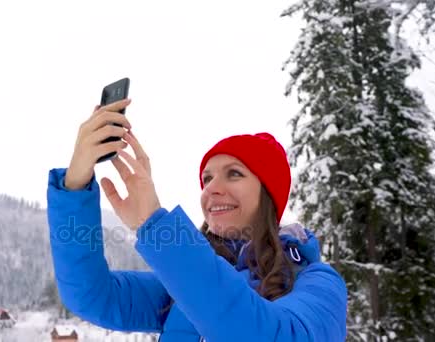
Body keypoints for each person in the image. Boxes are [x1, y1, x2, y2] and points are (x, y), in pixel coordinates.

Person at [46, 98, 347, 341]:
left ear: (268, 194)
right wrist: (74, 186)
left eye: (234, 174)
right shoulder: (181, 285)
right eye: (207, 178)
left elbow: (273, 335)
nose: (212, 189)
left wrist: (154, 223)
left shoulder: (316, 281)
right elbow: (92, 295)